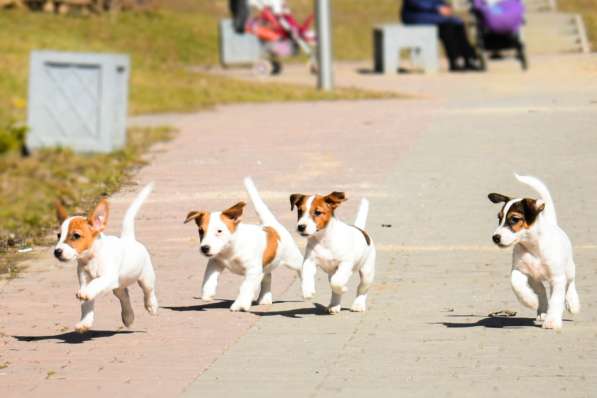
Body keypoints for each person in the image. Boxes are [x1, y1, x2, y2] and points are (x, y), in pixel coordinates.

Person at [401, 0, 481, 71]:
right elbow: (416, 3)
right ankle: (455, 60)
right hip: (416, 16)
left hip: (433, 16)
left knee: (458, 23)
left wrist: (445, 7)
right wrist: (437, 8)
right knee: (447, 26)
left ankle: (469, 58)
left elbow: (439, 2)